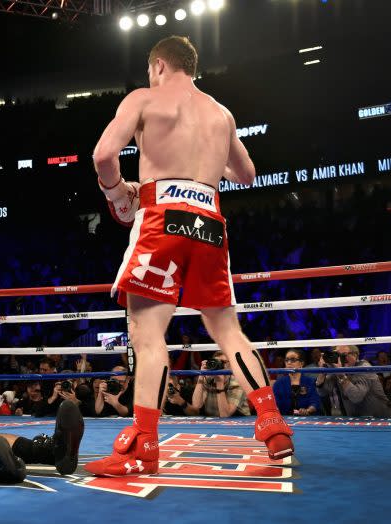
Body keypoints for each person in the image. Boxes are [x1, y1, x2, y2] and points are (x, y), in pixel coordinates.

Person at [86, 35, 293, 476]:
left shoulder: (145, 98)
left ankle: (143, 443)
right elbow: (247, 174)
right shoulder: (221, 112)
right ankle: (273, 424)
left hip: (163, 216)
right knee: (226, 329)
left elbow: (104, 154)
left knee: (147, 331)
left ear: (159, 65)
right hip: (211, 222)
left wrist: (116, 193)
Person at [316, 345, 391, 417]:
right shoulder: (339, 369)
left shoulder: (364, 368)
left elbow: (356, 397)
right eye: (337, 355)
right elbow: (322, 392)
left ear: (355, 355)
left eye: (344, 355)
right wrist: (322, 371)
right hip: (357, 420)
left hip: (380, 419)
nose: (341, 358)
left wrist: (341, 375)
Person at [190, 351, 251, 417]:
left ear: (231, 365)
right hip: (215, 420)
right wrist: (201, 375)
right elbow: (196, 405)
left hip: (240, 420)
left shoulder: (237, 383)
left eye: (223, 362)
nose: (219, 365)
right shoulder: (208, 379)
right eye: (216, 362)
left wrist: (219, 383)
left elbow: (225, 415)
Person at [272, 349, 321, 416]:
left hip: (307, 419)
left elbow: (315, 402)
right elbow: (274, 404)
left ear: (301, 363)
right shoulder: (278, 383)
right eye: (286, 360)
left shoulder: (309, 381)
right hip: (285, 419)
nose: (289, 362)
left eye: (293, 360)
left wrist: (307, 410)